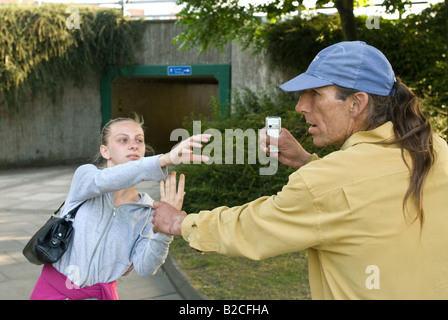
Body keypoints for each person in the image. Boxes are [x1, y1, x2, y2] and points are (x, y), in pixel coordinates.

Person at [151, 41, 448, 299]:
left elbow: (250, 228)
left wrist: (179, 222)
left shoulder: (325, 184)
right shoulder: (436, 148)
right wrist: (307, 161)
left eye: (315, 93)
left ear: (357, 102)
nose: (300, 106)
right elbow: (362, 196)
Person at [30, 114, 210, 300]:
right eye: (123, 140)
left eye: (139, 140)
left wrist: (164, 229)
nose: (134, 145)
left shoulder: (147, 211)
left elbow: (145, 268)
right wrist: (163, 160)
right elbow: (106, 180)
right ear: (105, 151)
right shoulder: (86, 178)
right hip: (52, 292)